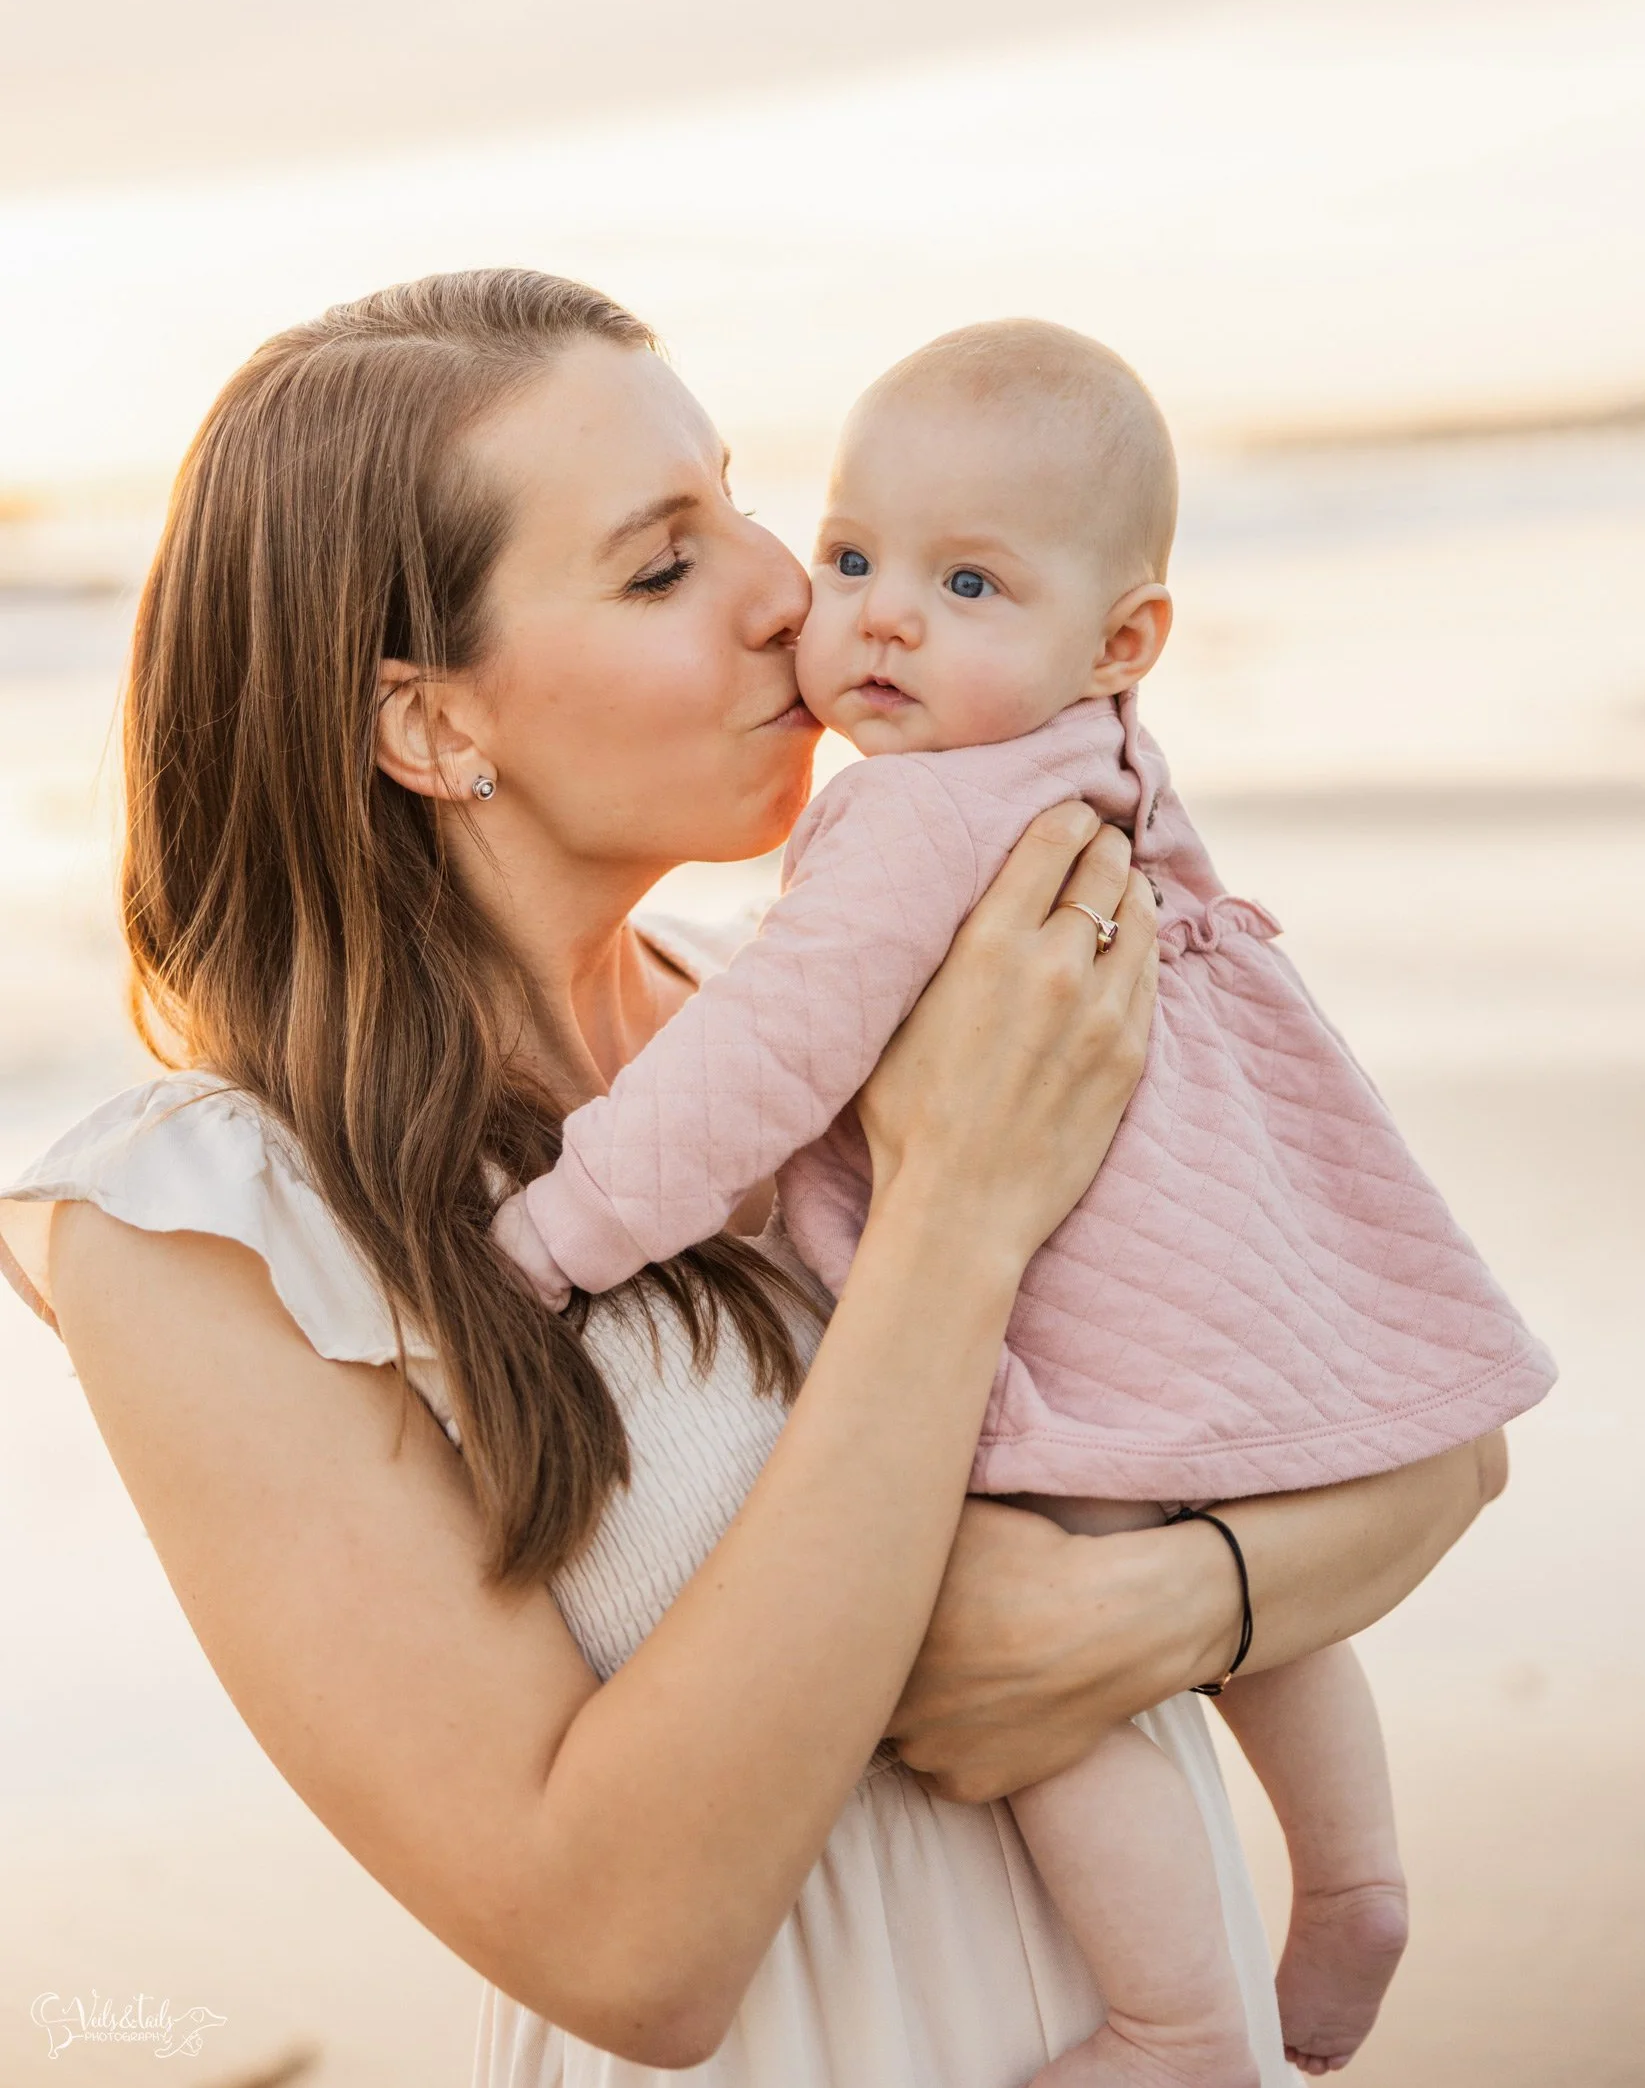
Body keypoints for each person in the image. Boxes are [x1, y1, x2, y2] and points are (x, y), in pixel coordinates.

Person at [0, 272, 1510, 2088]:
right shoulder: (210, 1238)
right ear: (429, 729)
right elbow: (629, 1949)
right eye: (660, 565)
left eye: (736, 498)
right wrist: (952, 1211)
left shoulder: (832, 990)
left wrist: (1169, 1610)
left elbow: (1427, 1437)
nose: (792, 590)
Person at [495, 317, 1556, 2083]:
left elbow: (752, 1068)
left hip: (1080, 1303)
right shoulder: (1101, 755)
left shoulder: (913, 819)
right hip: (1222, 1262)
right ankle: (1354, 1876)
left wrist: (563, 1228)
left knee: (1030, 1622)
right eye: (851, 558)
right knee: (1241, 1573)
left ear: (1120, 634)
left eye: (969, 582)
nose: (877, 615)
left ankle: (1175, 2020)